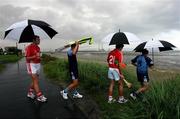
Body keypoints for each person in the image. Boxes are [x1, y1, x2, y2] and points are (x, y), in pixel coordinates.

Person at [25, 35, 47, 102]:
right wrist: (34, 56)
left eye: (39, 39)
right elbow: (27, 58)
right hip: (32, 65)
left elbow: (38, 56)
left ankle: (30, 93)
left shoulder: (38, 47)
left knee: (35, 81)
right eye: (38, 39)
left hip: (38, 64)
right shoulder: (29, 47)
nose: (39, 40)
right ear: (34, 40)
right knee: (35, 81)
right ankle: (39, 96)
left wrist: (40, 58)